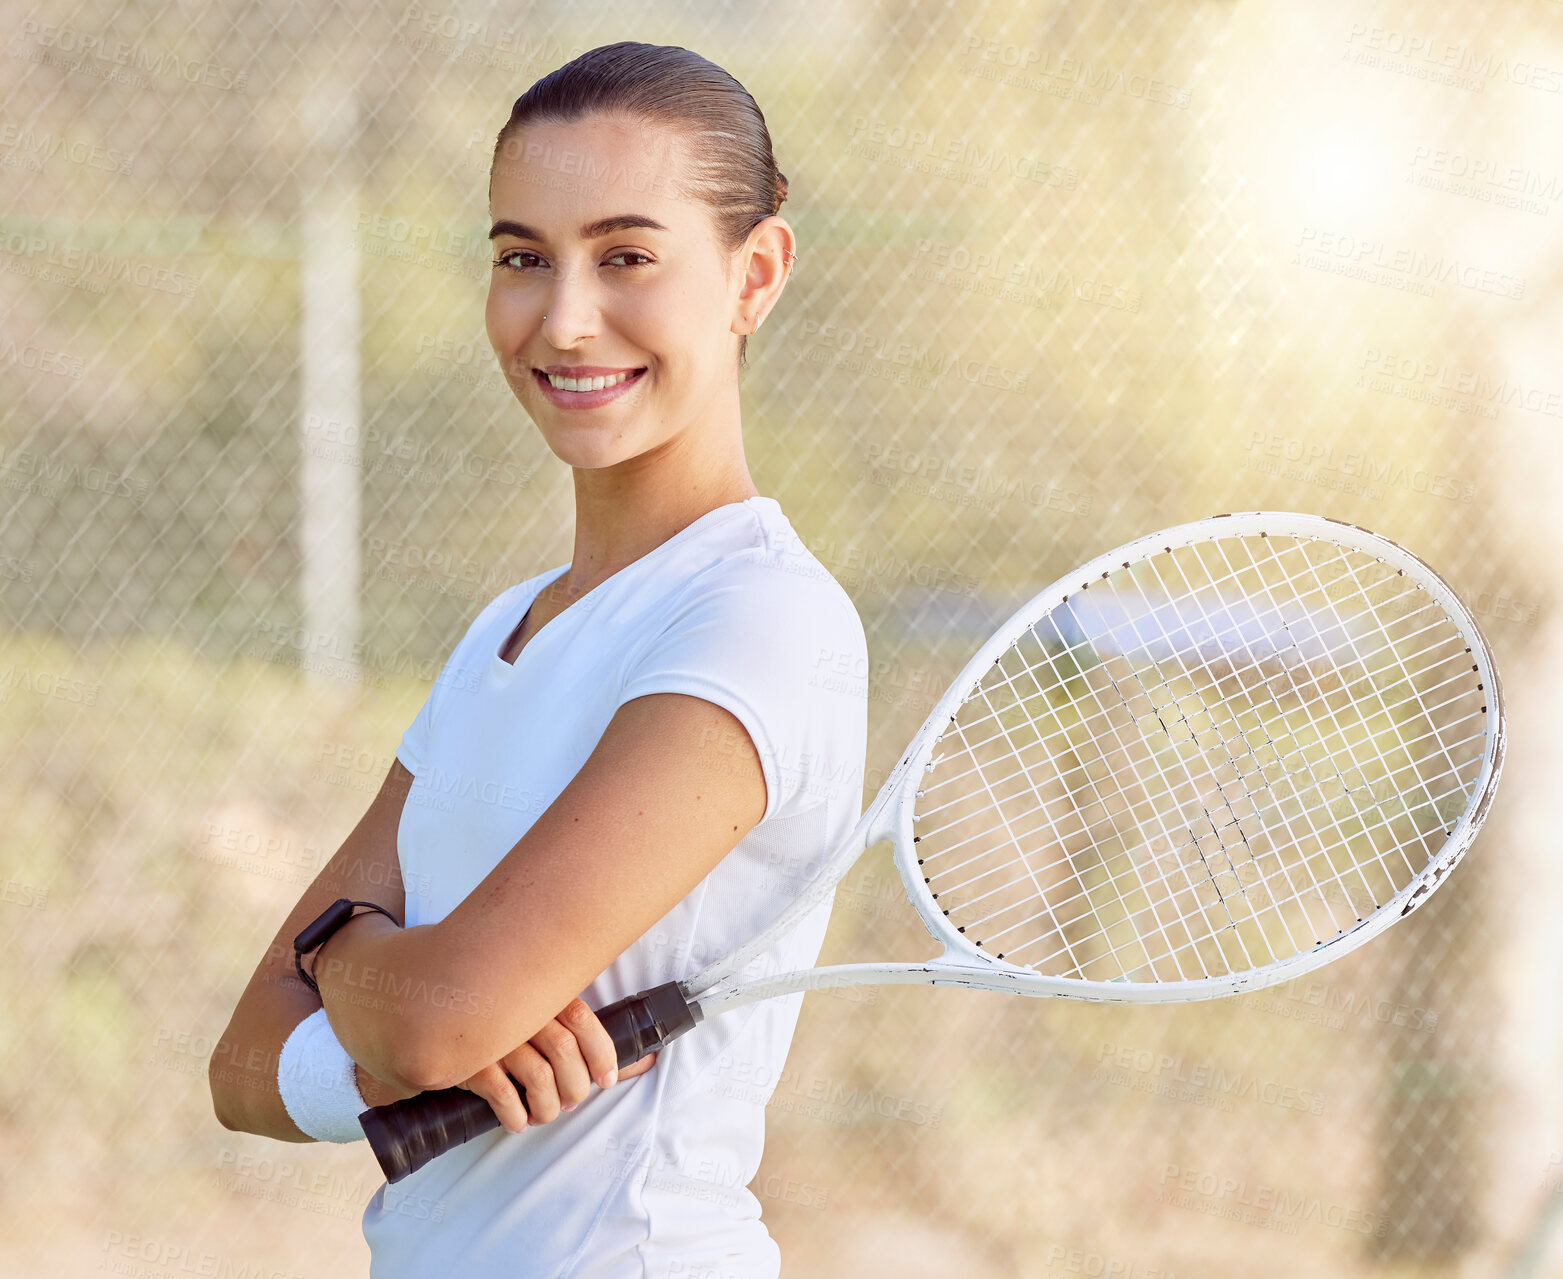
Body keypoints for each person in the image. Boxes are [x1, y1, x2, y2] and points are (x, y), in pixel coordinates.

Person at [210, 41, 868, 1279]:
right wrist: (389, 1035)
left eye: (626, 255)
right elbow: (241, 1070)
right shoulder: (506, 628)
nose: (564, 317)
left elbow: (441, 1017)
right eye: (523, 257)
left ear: (755, 273)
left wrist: (339, 952)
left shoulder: (761, 622)